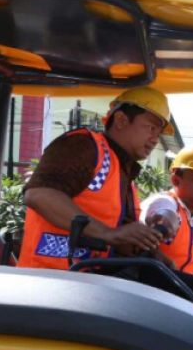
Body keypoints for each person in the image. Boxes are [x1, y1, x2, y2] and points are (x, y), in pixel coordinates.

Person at [20, 87, 168, 269]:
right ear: (121, 120)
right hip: (53, 278)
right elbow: (39, 195)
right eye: (151, 128)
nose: (154, 139)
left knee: (187, 286)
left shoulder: (123, 174)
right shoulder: (82, 146)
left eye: (158, 133)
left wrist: (150, 248)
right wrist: (108, 233)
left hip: (91, 278)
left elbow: (118, 235)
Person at [140, 144, 193, 285]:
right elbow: (162, 211)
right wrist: (165, 219)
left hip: (183, 295)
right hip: (153, 289)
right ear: (176, 180)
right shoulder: (164, 202)